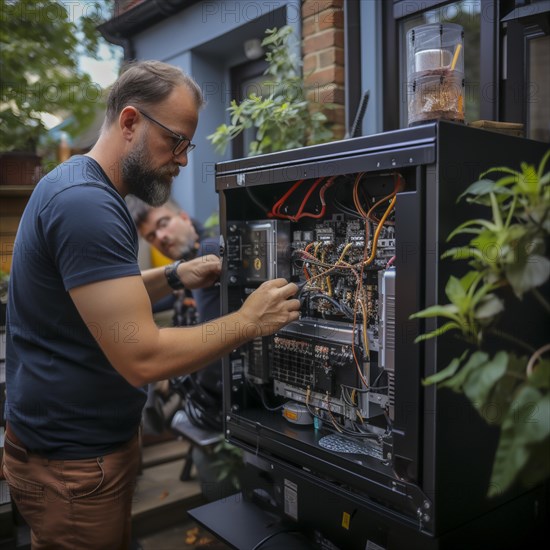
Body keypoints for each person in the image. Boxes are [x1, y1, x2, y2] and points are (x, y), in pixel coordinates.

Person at [3, 60, 300, 550]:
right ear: (130, 121)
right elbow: (143, 357)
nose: (183, 158)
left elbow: (100, 295)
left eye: (189, 144)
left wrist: (176, 274)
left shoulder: (77, 185)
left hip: (65, 454)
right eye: (175, 140)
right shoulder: (88, 205)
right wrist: (249, 321)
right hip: (73, 466)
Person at [126, 196, 223, 432]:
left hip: (220, 400)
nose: (161, 238)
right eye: (151, 237)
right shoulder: (184, 265)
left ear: (183, 217)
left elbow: (212, 344)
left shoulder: (211, 251)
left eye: (162, 224)